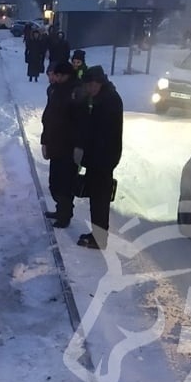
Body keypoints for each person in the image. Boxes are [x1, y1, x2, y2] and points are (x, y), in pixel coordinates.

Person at [73, 65, 124, 249]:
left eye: (92, 85)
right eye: (87, 85)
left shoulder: (108, 100)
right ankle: (97, 234)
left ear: (99, 82)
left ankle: (100, 238)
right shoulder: (100, 97)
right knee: (96, 198)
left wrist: (89, 154)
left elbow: (99, 132)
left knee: (100, 199)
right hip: (99, 156)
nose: (89, 88)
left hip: (103, 157)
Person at [40, 61, 79, 228]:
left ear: (65, 75)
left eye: (56, 75)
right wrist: (45, 141)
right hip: (55, 143)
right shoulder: (55, 89)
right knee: (54, 182)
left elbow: (80, 121)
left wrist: (79, 146)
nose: (52, 77)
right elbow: (48, 117)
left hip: (68, 146)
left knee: (65, 183)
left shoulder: (75, 92)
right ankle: (59, 209)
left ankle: (65, 215)